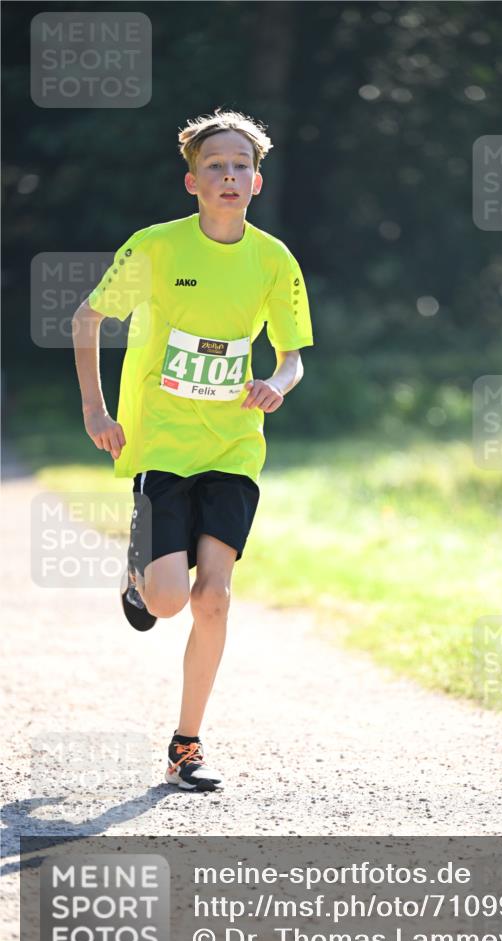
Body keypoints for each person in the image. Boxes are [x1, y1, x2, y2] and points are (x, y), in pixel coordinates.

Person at [72, 108, 313, 791]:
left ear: (257, 181)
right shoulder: (156, 247)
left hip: (234, 445)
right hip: (162, 440)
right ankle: (138, 572)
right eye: (215, 166)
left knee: (214, 599)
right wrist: (96, 408)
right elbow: (87, 318)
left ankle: (187, 743)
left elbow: (292, 356)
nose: (229, 175)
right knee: (169, 601)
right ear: (192, 181)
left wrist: (276, 383)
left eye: (240, 165)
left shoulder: (273, 260)